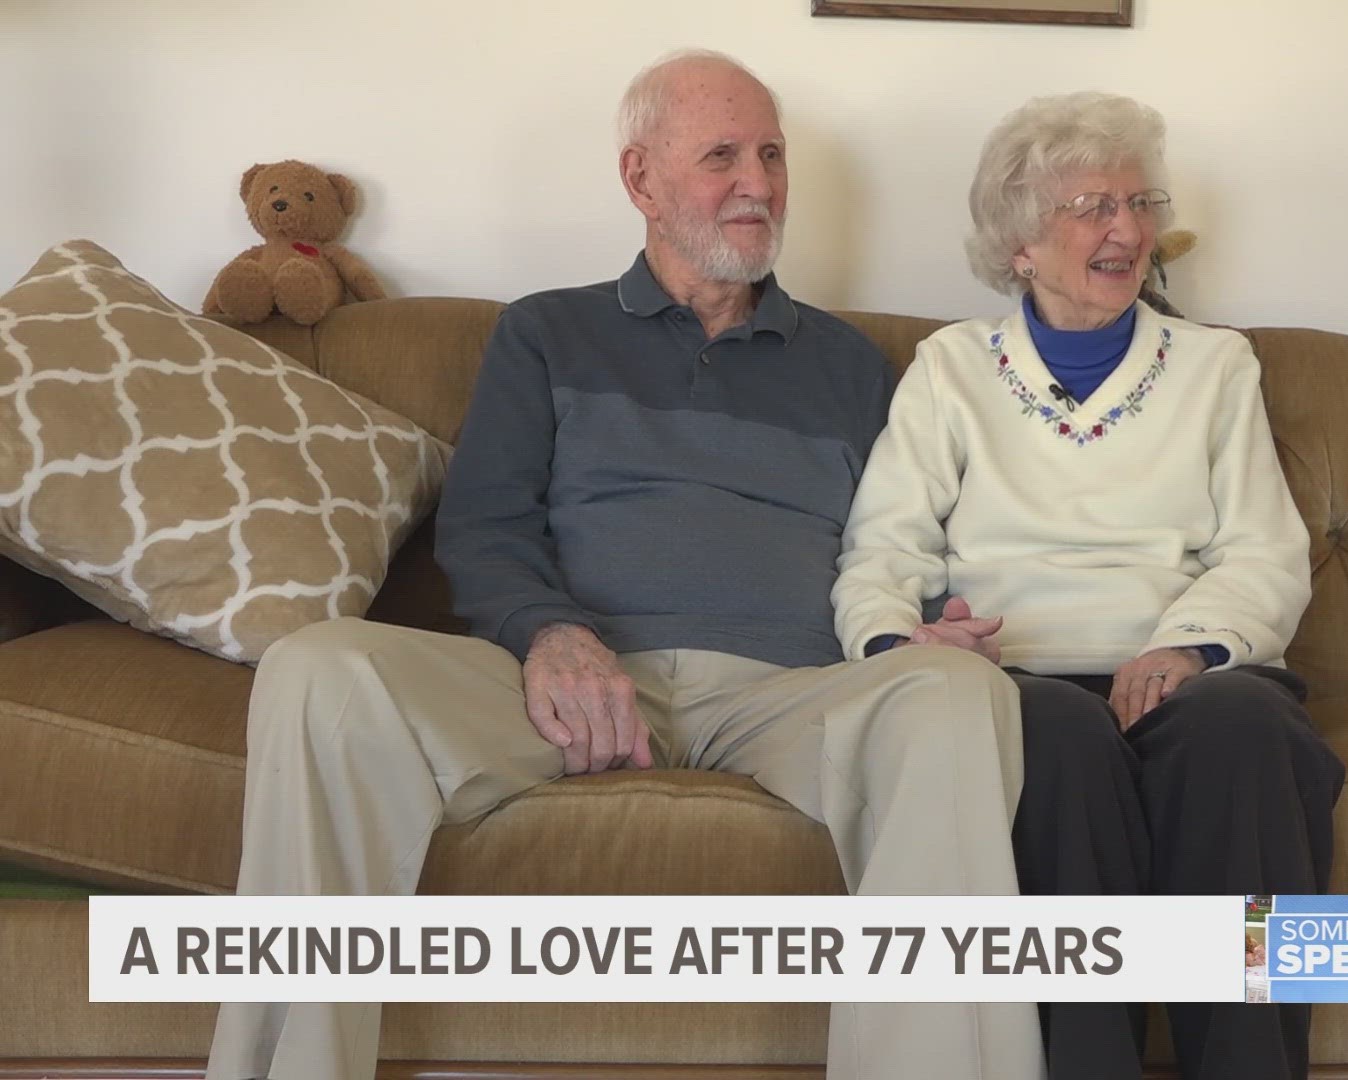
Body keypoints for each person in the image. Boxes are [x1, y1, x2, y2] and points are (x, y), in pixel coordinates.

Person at [204, 50, 1046, 1080]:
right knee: (317, 669)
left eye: (773, 156)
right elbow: (487, 526)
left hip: (792, 693)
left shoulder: (852, 368)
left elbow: (897, 540)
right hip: (559, 690)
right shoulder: (547, 333)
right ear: (640, 180)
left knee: (959, 695)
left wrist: (917, 625)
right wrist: (552, 636)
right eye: (723, 155)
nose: (760, 182)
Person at [832, 92, 1346, 1080]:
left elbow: (1263, 551)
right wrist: (905, 648)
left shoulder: (1215, 365)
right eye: (1091, 207)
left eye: (1139, 202)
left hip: (1187, 668)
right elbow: (881, 552)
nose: (1126, 230)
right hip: (1016, 675)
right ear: (1019, 243)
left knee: (1246, 732)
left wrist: (1187, 647)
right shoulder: (950, 368)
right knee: (1051, 742)